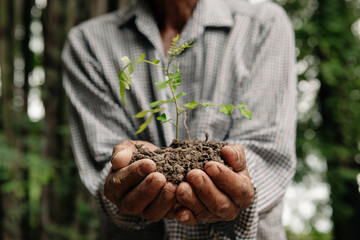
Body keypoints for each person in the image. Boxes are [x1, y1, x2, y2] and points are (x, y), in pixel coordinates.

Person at [62, 0, 297, 239]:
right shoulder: (89, 42)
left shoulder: (262, 24)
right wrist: (122, 178)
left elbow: (268, 154)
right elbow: (106, 172)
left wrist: (237, 182)